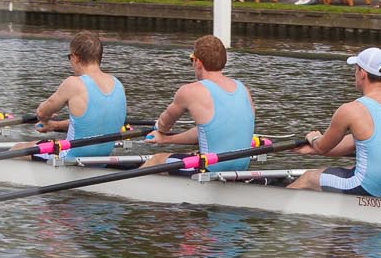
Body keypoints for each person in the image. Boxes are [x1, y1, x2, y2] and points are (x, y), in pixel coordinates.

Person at [288, 48, 381, 198]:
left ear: (362, 73)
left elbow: (322, 147)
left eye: (355, 69)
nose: (354, 74)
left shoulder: (350, 110)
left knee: (308, 178)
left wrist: (315, 139)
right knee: (348, 170)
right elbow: (364, 141)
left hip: (369, 188)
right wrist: (311, 150)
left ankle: (272, 204)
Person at [143, 34, 258, 171]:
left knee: (157, 159)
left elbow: (164, 125)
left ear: (198, 62)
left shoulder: (189, 91)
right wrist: (166, 139)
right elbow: (212, 131)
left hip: (211, 169)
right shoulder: (244, 89)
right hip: (241, 169)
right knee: (190, 155)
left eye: (192, 60)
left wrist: (159, 131)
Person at [36, 30, 127, 163]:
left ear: (75, 57)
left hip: (72, 157)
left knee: (20, 148)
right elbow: (93, 123)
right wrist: (54, 125)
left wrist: (43, 118)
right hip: (101, 160)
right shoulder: (119, 85)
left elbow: (42, 113)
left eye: (69, 57)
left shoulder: (73, 83)